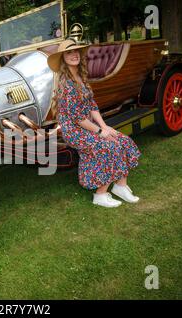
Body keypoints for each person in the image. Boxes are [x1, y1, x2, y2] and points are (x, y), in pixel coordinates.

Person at [47, 39, 141, 208]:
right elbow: (77, 118)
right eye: (69, 52)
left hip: (87, 125)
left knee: (121, 140)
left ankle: (120, 186)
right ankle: (100, 195)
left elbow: (92, 105)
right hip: (74, 130)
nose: (74, 54)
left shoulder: (81, 76)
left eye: (76, 51)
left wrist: (105, 127)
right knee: (108, 146)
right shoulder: (66, 84)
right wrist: (100, 132)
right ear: (63, 58)